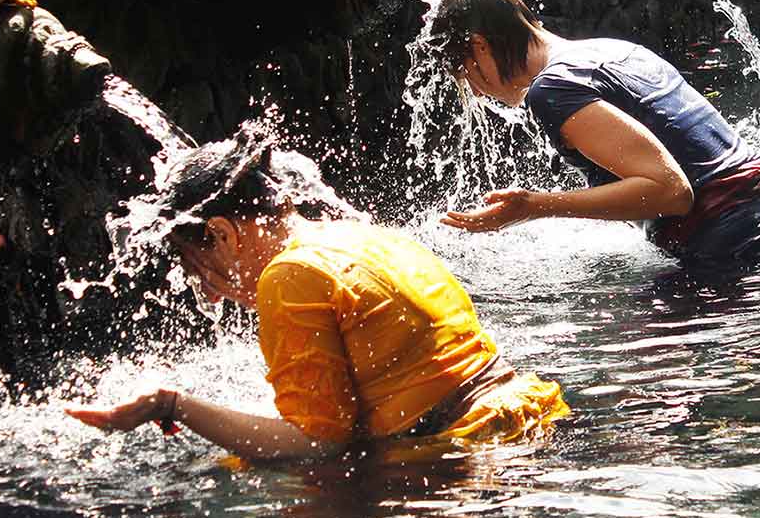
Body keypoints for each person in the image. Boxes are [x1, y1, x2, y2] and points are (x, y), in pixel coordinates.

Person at [66, 130, 570, 460]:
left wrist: (171, 404)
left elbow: (319, 445)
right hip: (523, 423)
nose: (207, 290)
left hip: (462, 459)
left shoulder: (289, 276)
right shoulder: (358, 234)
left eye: (194, 263)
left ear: (222, 235)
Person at [428, 0, 760, 265]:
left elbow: (671, 192)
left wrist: (534, 206)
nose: (477, 93)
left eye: (466, 74)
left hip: (745, 252)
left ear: (479, 47)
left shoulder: (552, 89)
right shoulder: (612, 50)